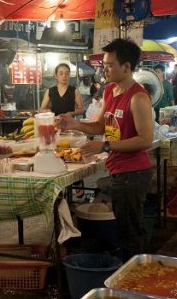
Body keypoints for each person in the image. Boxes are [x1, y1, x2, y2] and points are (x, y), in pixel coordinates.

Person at [60, 39, 154, 257]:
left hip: (134, 173)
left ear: (127, 67)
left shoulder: (138, 97)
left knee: (131, 232)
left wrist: (105, 145)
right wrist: (75, 124)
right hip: (118, 170)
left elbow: (145, 140)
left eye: (110, 64)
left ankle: (135, 280)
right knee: (124, 229)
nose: (105, 69)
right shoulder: (110, 91)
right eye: (104, 64)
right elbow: (100, 125)